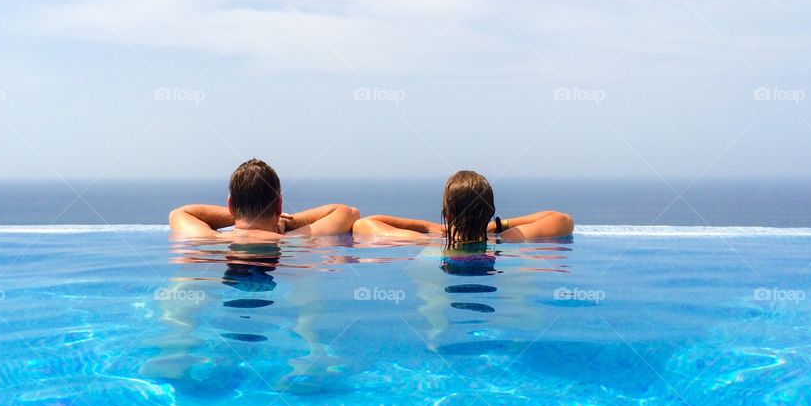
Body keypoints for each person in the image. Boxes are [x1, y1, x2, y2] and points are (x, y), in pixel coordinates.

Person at [352, 170, 573, 245]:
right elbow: (562, 220)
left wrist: (432, 227)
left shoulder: (425, 241)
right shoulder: (508, 239)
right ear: (490, 211)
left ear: (446, 214)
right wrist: (495, 226)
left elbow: (363, 224)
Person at [169, 158, 359, 239]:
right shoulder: (296, 240)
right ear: (279, 204)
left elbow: (180, 213)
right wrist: (285, 222)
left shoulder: (209, 240)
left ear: (230, 205)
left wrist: (239, 214)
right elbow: (348, 212)